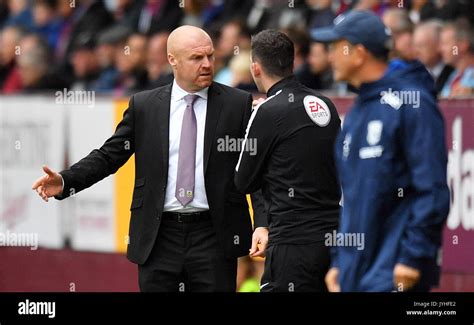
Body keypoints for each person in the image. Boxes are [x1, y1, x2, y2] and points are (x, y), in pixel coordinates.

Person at [32, 25, 265, 292]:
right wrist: (65, 181)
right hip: (158, 237)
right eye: (196, 58)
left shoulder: (237, 103)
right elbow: (109, 156)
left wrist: (262, 223)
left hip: (213, 235)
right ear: (172, 60)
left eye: (210, 56)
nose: (207, 64)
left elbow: (253, 170)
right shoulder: (145, 106)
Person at [312, 10, 450, 292]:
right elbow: (350, 198)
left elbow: (432, 190)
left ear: (359, 53)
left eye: (335, 47)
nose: (330, 56)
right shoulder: (358, 111)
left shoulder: (412, 104)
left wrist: (413, 256)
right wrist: (339, 260)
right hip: (354, 273)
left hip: (393, 272)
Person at [234, 30, 341, 292]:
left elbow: (243, 180)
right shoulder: (326, 104)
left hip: (292, 243)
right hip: (335, 239)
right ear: (291, 63)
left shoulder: (267, 111)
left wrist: (255, 123)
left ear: (255, 68)